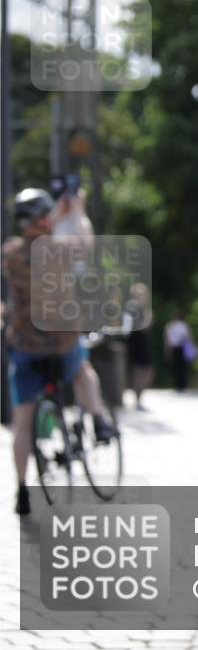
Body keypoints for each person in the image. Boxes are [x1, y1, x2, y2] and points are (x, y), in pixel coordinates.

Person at [3, 187, 117, 515]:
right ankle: (98, 418)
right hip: (62, 342)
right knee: (82, 370)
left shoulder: (11, 252)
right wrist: (76, 212)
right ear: (43, 217)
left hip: (26, 346)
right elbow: (86, 243)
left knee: (23, 421)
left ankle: (22, 490)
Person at [123, 282, 154, 410]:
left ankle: (139, 397)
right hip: (136, 341)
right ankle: (137, 399)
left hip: (143, 341)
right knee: (138, 371)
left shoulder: (141, 308)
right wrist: (148, 319)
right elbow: (137, 327)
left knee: (147, 370)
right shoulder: (132, 307)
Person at [163, 310, 192, 391]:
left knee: (181, 367)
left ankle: (182, 385)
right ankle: (179, 385)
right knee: (177, 367)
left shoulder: (181, 325)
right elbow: (167, 340)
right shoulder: (170, 326)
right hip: (174, 348)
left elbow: (188, 337)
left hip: (181, 348)